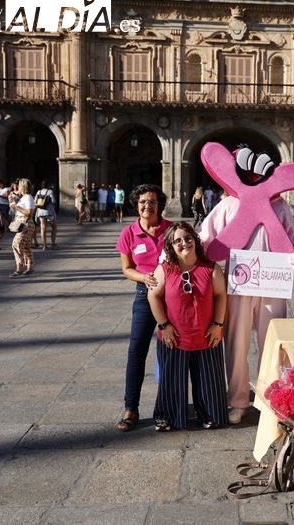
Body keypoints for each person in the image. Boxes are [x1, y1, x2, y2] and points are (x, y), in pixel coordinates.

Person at [199, 166, 294, 425]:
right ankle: (237, 400)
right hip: (240, 283)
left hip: (273, 283)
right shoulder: (228, 204)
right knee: (236, 343)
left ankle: (269, 399)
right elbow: (206, 235)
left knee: (273, 343)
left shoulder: (280, 205)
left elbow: (291, 238)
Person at [147, 221, 228, 431]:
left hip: (206, 335)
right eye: (178, 241)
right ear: (171, 246)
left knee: (208, 380)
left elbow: (220, 296)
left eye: (188, 238)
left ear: (196, 240)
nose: (184, 243)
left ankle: (209, 413)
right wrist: (164, 325)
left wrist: (217, 324)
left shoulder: (211, 268)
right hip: (174, 337)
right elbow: (153, 296)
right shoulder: (164, 269)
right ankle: (167, 416)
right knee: (171, 381)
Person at [114, 184, 171, 432]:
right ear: (136, 204)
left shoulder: (170, 230)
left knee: (170, 352)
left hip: (172, 296)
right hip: (144, 295)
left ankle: (167, 408)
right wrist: (144, 277)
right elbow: (126, 268)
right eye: (143, 202)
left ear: (160, 205)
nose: (148, 205)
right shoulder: (129, 233)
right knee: (136, 350)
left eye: (153, 201)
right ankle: (131, 408)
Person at [8, 177, 36, 278]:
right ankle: (30, 267)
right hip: (21, 223)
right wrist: (12, 202)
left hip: (25, 223)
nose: (17, 187)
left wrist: (17, 207)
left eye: (19, 186)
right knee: (26, 246)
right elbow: (16, 210)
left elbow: (29, 213)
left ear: (23, 187)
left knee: (16, 244)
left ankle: (19, 268)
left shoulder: (28, 197)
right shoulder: (24, 197)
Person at [35, 181, 58, 250]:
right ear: (48, 185)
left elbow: (35, 201)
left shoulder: (38, 192)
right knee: (54, 226)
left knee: (43, 228)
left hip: (41, 211)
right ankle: (53, 243)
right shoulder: (50, 191)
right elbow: (53, 201)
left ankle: (44, 245)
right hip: (49, 211)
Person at [0, 180, 11, 249]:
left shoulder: (6, 189)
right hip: (0, 204)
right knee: (0, 216)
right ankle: (4, 225)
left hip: (5, 204)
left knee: (6, 216)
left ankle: (9, 226)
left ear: (2, 184)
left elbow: (8, 197)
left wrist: (0, 196)